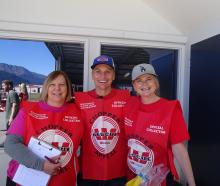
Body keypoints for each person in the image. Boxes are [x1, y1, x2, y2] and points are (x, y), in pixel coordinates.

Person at [4, 71, 84, 186]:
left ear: (68, 88)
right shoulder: (27, 111)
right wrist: (41, 165)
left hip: (62, 181)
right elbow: (10, 145)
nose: (57, 88)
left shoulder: (79, 113)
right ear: (46, 87)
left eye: (62, 84)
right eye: (52, 84)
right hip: (22, 179)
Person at [124, 63, 196, 186]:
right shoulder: (129, 104)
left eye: (148, 79)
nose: (144, 84)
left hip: (158, 178)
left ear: (156, 83)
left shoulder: (170, 108)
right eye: (139, 81)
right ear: (134, 86)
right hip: (132, 177)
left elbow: (179, 149)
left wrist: (192, 183)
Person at [75, 55, 130, 186]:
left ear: (114, 75)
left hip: (118, 171)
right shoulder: (79, 99)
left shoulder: (127, 97)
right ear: (92, 75)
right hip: (88, 172)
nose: (103, 76)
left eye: (108, 72)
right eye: (98, 72)